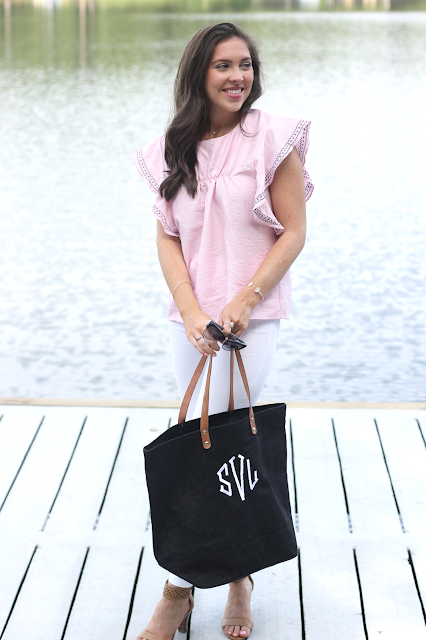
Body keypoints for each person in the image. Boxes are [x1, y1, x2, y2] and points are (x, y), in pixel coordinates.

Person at [134, 21, 313, 640]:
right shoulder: (170, 148)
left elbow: (294, 231)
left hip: (250, 320)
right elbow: (167, 236)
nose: (238, 77)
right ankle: (224, 577)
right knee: (196, 438)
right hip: (190, 321)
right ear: (198, 74)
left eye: (245, 65)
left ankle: (186, 588)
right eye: (223, 66)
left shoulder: (272, 139)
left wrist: (244, 299)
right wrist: (189, 310)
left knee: (223, 437)